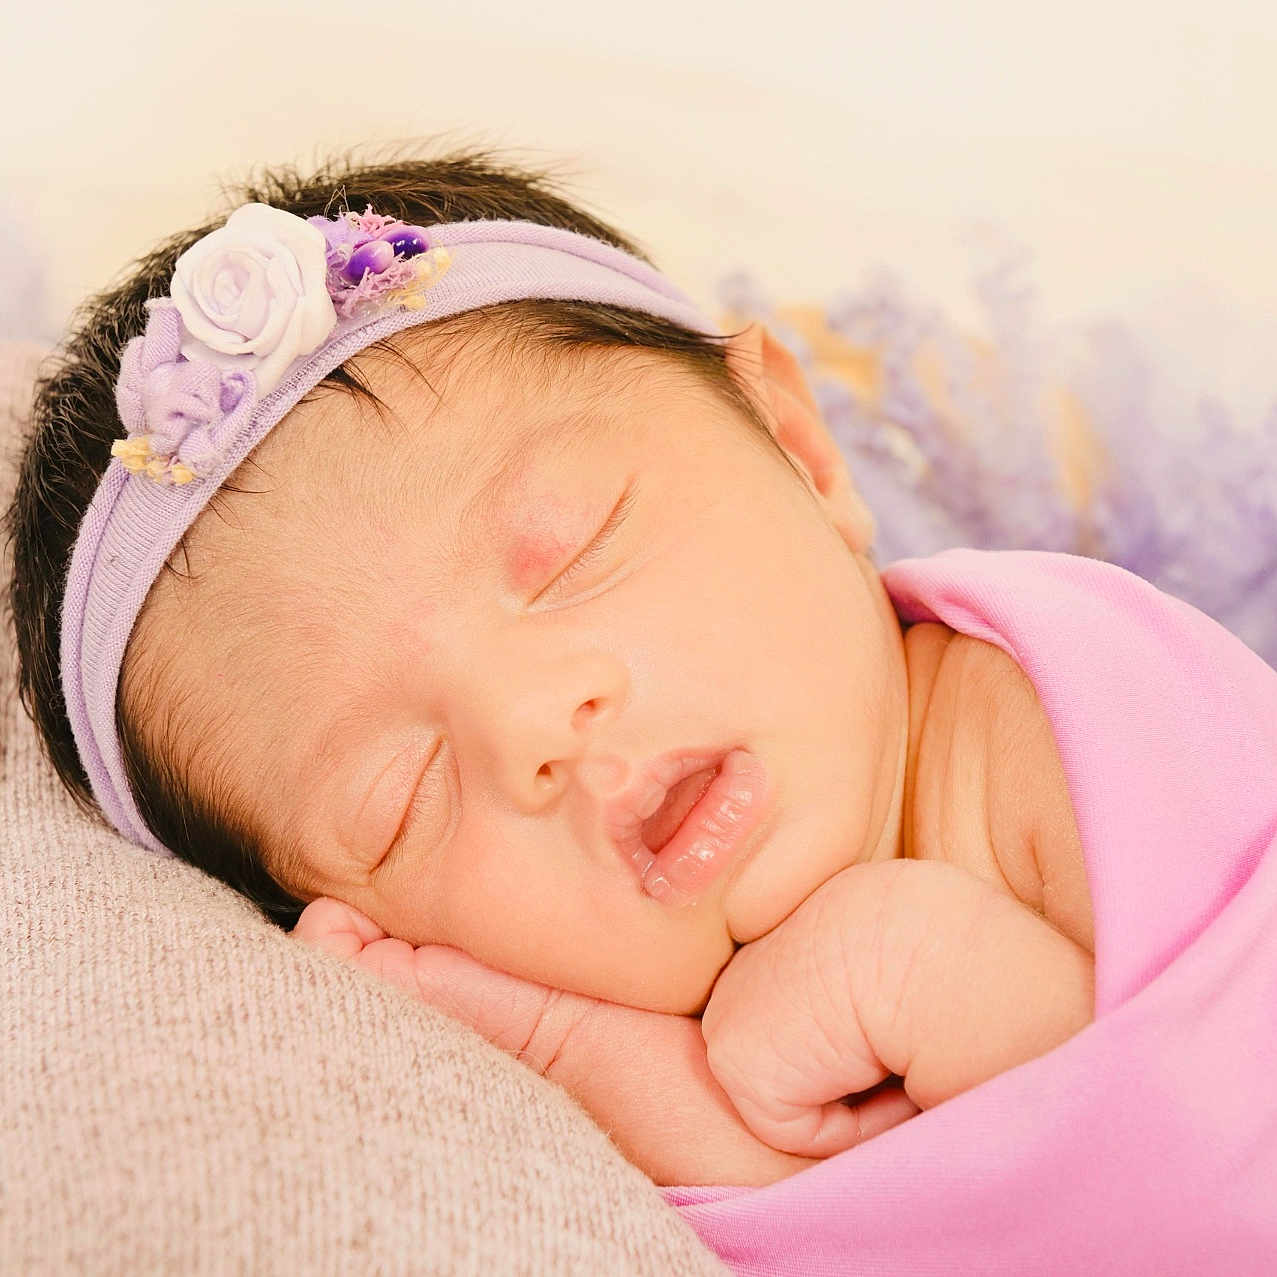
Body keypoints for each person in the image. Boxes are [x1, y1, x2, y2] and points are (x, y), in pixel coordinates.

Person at [10, 151, 1276, 1267]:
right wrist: (576, 1053)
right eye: (400, 797)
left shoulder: (1059, 707)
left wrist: (931, 974)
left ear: (797, 446)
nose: (535, 725)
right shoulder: (601, 1124)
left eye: (573, 548)